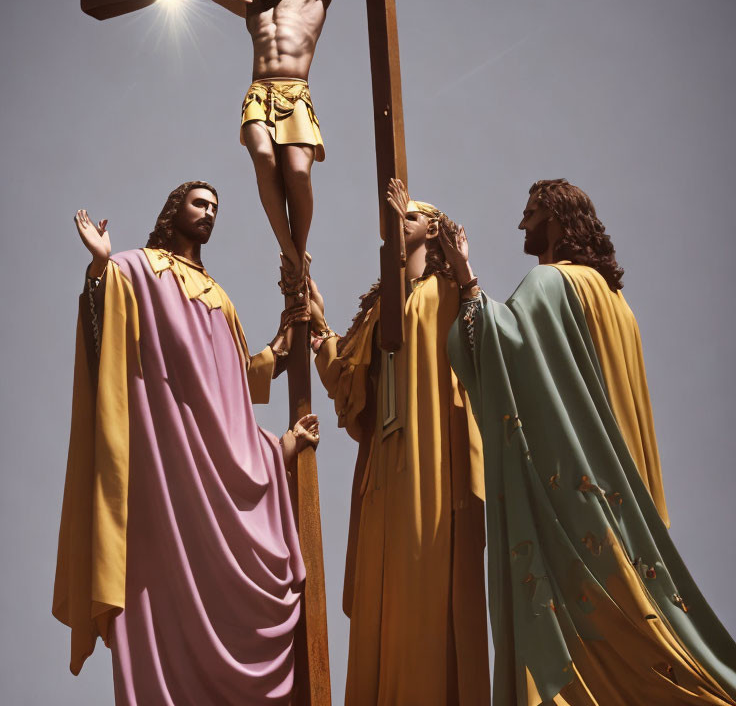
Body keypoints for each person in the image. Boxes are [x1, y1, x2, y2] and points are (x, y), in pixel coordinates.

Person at [445, 178, 736, 705]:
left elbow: (500, 345)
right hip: (634, 506)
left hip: (584, 498)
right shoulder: (620, 305)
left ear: (557, 218)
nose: (522, 224)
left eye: (531, 213)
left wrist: (466, 283)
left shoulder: (550, 284)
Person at [53, 181, 320, 705]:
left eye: (216, 207)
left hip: (217, 471)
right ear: (175, 210)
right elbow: (101, 338)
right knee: (157, 596)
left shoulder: (221, 298)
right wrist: (99, 271)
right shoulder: (136, 269)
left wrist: (276, 437)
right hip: (167, 464)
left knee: (240, 602)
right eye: (200, 203)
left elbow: (234, 390)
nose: (209, 213)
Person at [141, 0, 411, 317]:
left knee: (298, 172)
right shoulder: (252, 11)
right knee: (265, 159)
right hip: (258, 94)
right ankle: (290, 253)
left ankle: (295, 258)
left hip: (295, 93)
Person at [309, 179, 490, 705]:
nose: (398, 219)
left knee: (427, 593)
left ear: (433, 230)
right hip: (383, 470)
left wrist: (465, 270)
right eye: (397, 215)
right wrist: (318, 322)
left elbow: (484, 347)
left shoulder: (448, 291)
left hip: (434, 457)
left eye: (409, 216)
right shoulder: (379, 310)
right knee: (379, 599)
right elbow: (346, 380)